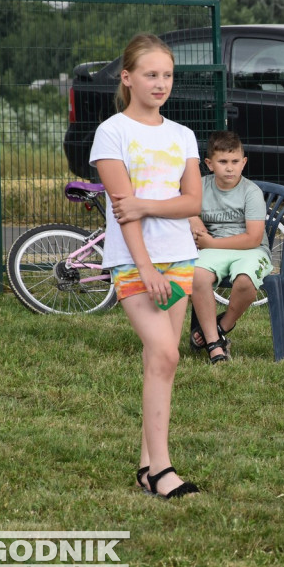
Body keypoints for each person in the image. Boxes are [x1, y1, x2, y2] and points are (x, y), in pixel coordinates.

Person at [89, 33, 203, 501]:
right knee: (167, 353)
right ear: (128, 77)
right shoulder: (112, 132)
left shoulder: (183, 135)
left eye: (168, 75)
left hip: (181, 258)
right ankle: (163, 470)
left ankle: (145, 466)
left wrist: (145, 204)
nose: (161, 84)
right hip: (134, 263)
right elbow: (123, 212)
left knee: (160, 362)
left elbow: (194, 201)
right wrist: (145, 267)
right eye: (151, 74)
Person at [187, 130, 273, 363]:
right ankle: (214, 345)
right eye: (223, 162)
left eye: (235, 161)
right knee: (197, 275)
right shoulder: (200, 187)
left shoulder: (251, 192)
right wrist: (192, 217)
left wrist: (211, 242)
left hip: (251, 251)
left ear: (243, 163)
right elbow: (182, 204)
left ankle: (223, 326)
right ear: (209, 164)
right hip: (212, 252)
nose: (229, 168)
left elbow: (253, 238)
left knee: (245, 281)